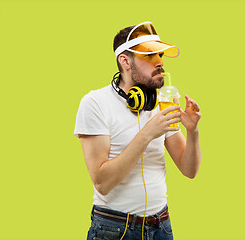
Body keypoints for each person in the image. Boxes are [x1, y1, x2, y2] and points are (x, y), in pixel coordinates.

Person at [74, 21, 202, 240]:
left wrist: (192, 132)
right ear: (125, 61)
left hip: (161, 226)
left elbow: (189, 170)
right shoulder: (95, 103)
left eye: (160, 55)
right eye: (149, 56)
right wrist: (147, 134)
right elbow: (102, 183)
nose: (160, 62)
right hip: (114, 228)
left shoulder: (161, 103)